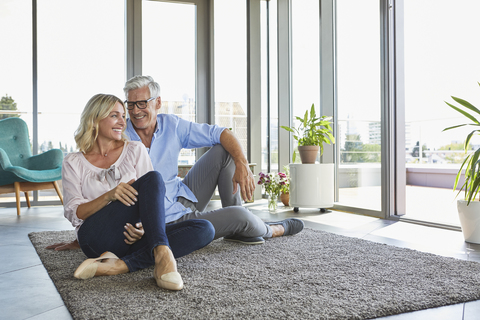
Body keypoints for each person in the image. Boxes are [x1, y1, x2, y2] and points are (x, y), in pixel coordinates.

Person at [48, 75, 304, 252]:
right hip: (158, 220)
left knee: (222, 151)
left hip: (181, 200)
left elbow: (221, 132)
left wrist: (242, 163)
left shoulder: (172, 126)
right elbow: (94, 197)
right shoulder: (118, 133)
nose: (135, 112)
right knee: (239, 217)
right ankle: (264, 227)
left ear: (157, 103)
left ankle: (237, 226)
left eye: (142, 103)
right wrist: (88, 236)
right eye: (130, 105)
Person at [60, 93, 215, 291]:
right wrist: (109, 195)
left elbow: (151, 197)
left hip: (134, 237)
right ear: (95, 119)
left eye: (122, 116)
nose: (122, 122)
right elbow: (75, 213)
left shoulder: (135, 149)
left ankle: (121, 265)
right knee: (153, 178)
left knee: (204, 229)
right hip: (95, 238)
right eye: (114, 115)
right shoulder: (73, 162)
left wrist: (143, 228)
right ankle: (162, 257)